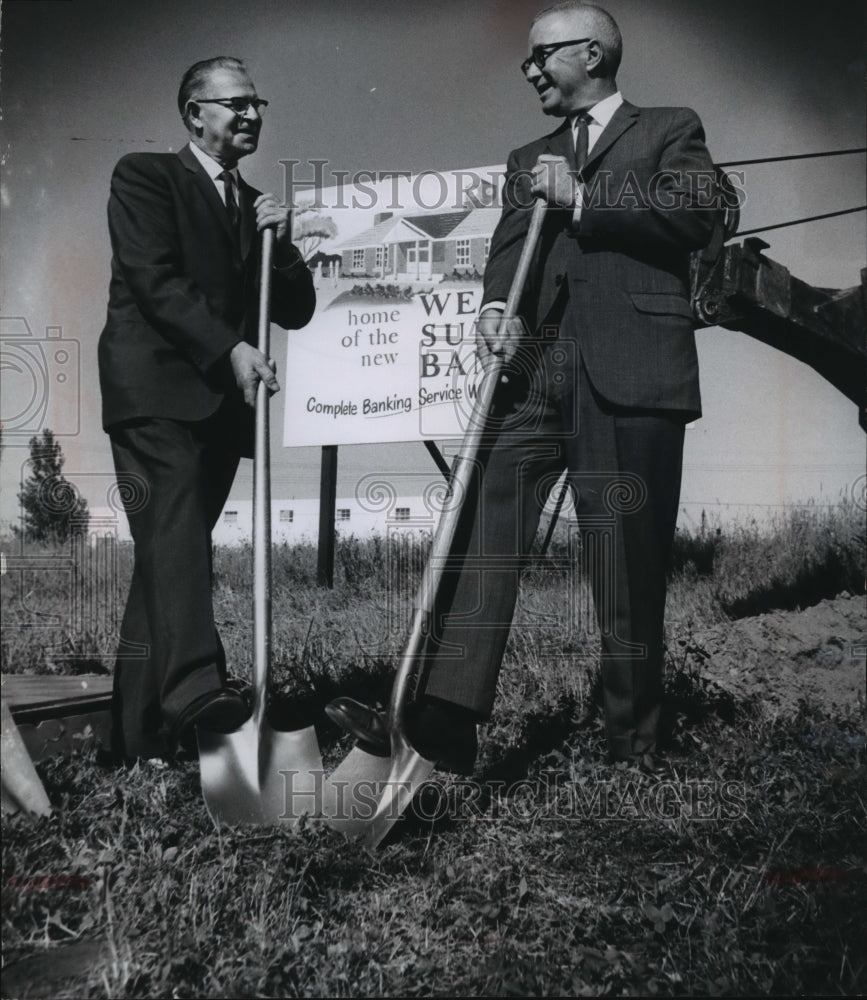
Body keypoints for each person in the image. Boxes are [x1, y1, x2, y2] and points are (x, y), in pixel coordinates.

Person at [327, 2, 717, 771]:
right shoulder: (525, 157)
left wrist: (583, 198)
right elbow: (510, 253)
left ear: (594, 53)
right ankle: (443, 714)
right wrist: (498, 307)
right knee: (483, 522)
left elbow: (697, 211)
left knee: (624, 559)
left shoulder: (668, 127)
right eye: (526, 60)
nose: (529, 69)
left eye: (541, 55)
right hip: (538, 370)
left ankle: (631, 743)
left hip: (631, 369)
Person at [100, 56, 315, 761]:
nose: (253, 114)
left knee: (167, 557)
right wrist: (229, 348)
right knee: (176, 542)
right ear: (195, 113)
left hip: (222, 407)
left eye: (259, 103)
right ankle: (197, 693)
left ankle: (133, 742)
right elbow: (153, 279)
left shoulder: (255, 207)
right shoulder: (146, 176)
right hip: (155, 391)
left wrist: (278, 244)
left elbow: (298, 309)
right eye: (237, 103)